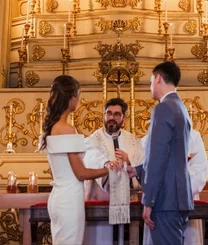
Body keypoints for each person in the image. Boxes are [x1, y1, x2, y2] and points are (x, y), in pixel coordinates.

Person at [41, 75, 121, 245]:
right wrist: (110, 168)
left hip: (58, 197)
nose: (78, 101)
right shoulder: (67, 129)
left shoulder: (52, 127)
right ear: (72, 97)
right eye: (78, 95)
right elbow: (81, 173)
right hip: (69, 199)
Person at [127, 61, 193, 244]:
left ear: (158, 79)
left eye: (150, 82)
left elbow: (158, 158)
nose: (150, 87)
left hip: (165, 199)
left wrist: (148, 201)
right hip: (178, 197)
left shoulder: (163, 108)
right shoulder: (181, 108)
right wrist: (138, 171)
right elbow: (172, 155)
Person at [83, 98, 145, 244]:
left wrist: (129, 162)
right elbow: (89, 155)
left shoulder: (134, 141)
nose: (112, 117)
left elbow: (143, 164)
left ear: (124, 118)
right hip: (101, 199)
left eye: (117, 114)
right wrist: (106, 163)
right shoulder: (93, 139)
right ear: (103, 115)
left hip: (129, 201)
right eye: (109, 113)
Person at [141, 127, 208, 245]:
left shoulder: (193, 136)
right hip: (158, 200)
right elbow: (144, 168)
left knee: (187, 238)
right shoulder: (148, 139)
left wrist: (178, 190)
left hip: (184, 197)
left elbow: (200, 170)